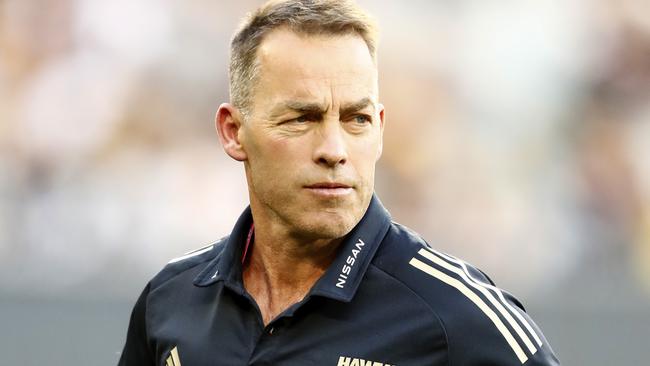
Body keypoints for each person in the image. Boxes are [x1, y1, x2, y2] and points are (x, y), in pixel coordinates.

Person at [118, 1, 560, 365]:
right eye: (301, 118)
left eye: (357, 119)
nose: (334, 149)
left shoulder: (457, 313)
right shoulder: (171, 300)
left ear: (381, 129)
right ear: (234, 132)